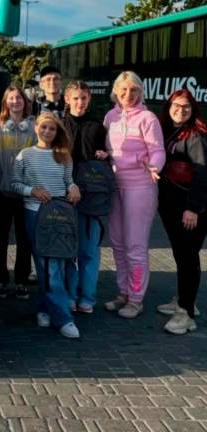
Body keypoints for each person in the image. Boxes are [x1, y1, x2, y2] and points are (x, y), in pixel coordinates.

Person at [11, 112, 81, 339]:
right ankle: (64, 319)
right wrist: (31, 191)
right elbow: (14, 183)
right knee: (47, 264)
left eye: (52, 129)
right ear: (36, 128)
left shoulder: (64, 155)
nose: (48, 132)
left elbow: (68, 181)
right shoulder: (25, 155)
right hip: (35, 214)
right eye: (44, 127)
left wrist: (74, 188)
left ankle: (45, 308)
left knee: (55, 265)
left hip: (60, 214)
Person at [102, 71, 165, 319]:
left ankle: (136, 299)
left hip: (140, 185)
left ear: (141, 92)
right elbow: (108, 148)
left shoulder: (148, 118)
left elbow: (157, 150)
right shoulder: (110, 117)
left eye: (134, 90)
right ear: (116, 91)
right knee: (117, 243)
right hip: (114, 185)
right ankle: (124, 292)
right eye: (124, 90)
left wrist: (155, 167)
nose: (129, 95)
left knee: (135, 246)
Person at [156, 89, 207, 334]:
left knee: (188, 257)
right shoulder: (169, 130)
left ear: (193, 109)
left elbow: (202, 174)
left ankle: (185, 313)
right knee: (181, 254)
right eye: (177, 105)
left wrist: (193, 208)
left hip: (190, 207)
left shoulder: (196, 136)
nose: (181, 110)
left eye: (186, 107)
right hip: (170, 204)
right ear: (169, 106)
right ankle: (186, 300)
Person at [63, 81, 109, 313]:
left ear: (89, 99)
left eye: (84, 98)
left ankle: (87, 297)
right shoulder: (60, 125)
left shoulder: (98, 126)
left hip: (91, 196)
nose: (80, 102)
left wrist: (105, 155)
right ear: (67, 99)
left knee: (90, 250)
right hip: (66, 194)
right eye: (75, 98)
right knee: (70, 250)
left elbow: (107, 158)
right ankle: (70, 294)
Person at [0, 85, 35, 299]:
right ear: (5, 102)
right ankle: (1, 278)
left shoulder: (34, 127)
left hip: (26, 193)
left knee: (24, 238)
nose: (16, 102)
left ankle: (21, 279)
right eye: (11, 98)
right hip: (3, 192)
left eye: (19, 98)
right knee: (0, 238)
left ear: (25, 102)